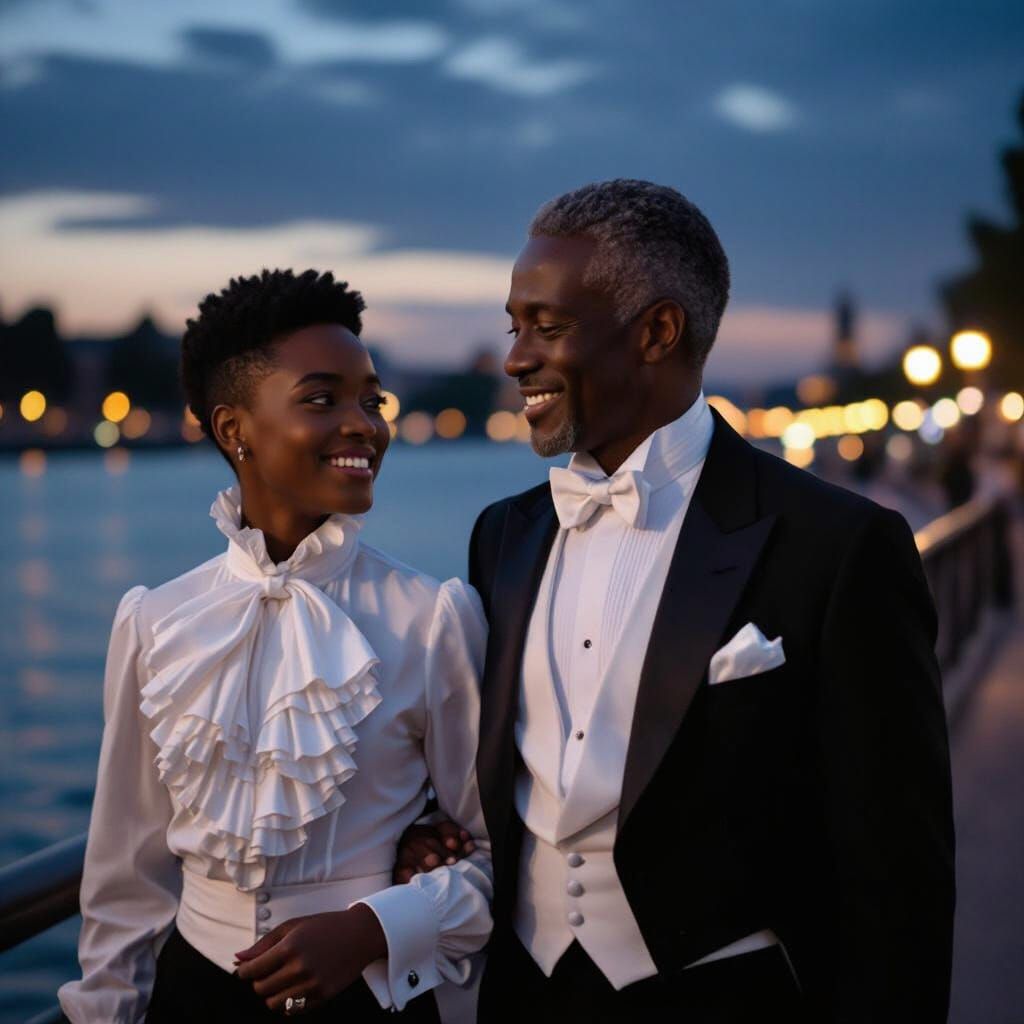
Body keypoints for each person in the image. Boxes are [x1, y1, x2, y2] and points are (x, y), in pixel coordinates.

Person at [453, 179, 955, 1021]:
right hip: (523, 998)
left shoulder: (838, 546)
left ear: (656, 331)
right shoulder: (501, 538)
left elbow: (897, 876)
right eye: (515, 327)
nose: (515, 357)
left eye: (549, 327)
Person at [58, 269, 492, 1023]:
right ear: (234, 430)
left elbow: (496, 857)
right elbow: (124, 876)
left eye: (372, 400)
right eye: (322, 399)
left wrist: (370, 929)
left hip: (370, 999)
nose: (364, 423)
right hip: (191, 1001)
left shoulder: (434, 617)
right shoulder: (153, 621)